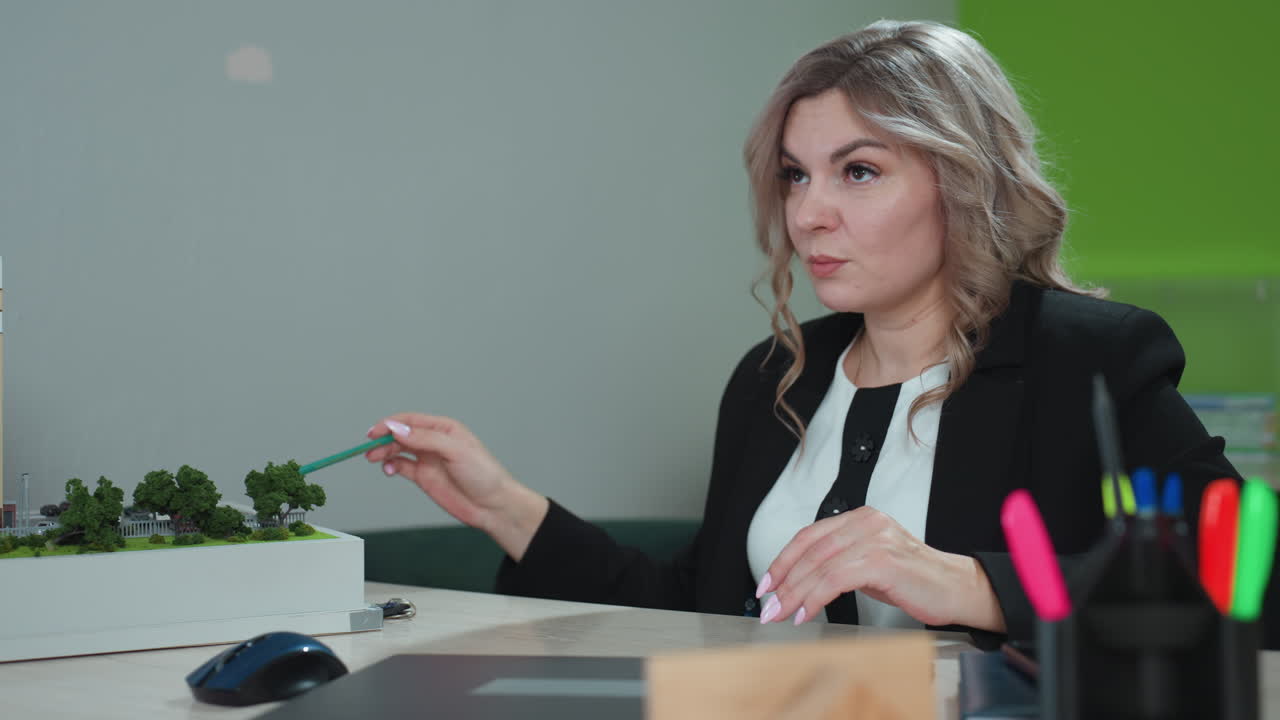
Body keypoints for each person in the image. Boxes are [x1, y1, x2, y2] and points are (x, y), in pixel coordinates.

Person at [363, 19, 1249, 646]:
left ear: (964, 180)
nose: (808, 215)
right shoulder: (775, 375)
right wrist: (499, 504)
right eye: (795, 176)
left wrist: (970, 583)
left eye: (858, 171)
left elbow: (1244, 581)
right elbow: (698, 608)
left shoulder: (1090, 357)